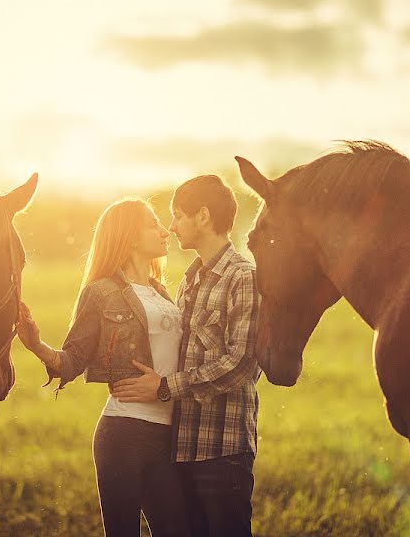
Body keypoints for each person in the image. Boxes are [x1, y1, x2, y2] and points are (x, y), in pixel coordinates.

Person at [17, 198, 189, 537]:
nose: (164, 231)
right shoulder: (101, 293)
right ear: (130, 235)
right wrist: (37, 345)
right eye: (152, 224)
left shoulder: (163, 293)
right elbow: (72, 360)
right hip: (125, 433)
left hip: (169, 434)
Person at [111, 175, 261, 537]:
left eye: (178, 216)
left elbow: (240, 363)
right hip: (180, 449)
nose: (172, 227)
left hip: (222, 450)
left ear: (204, 217)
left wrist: (164, 386)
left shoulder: (243, 277)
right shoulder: (189, 281)